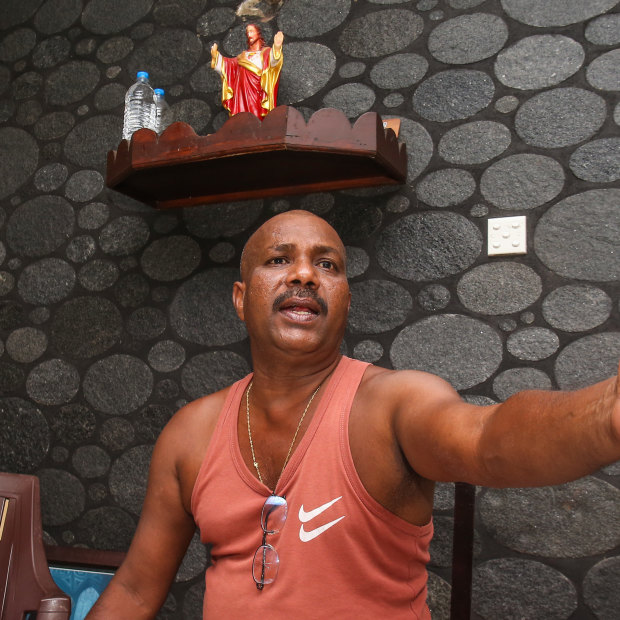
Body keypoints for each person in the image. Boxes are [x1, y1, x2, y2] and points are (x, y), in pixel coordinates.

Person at [86, 210, 620, 619]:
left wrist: (608, 412)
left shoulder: (393, 404)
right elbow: (135, 589)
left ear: (344, 298)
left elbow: (489, 439)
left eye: (327, 265)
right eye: (279, 259)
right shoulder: (190, 432)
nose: (305, 275)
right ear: (240, 298)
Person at [210, 24, 283, 120]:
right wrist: (217, 57)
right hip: (241, 95)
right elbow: (228, 66)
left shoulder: (266, 53)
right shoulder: (242, 56)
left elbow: (274, 63)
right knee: (242, 120)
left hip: (257, 93)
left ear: (258, 33)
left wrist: (277, 47)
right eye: (247, 32)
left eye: (251, 31)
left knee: (256, 119)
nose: (249, 34)